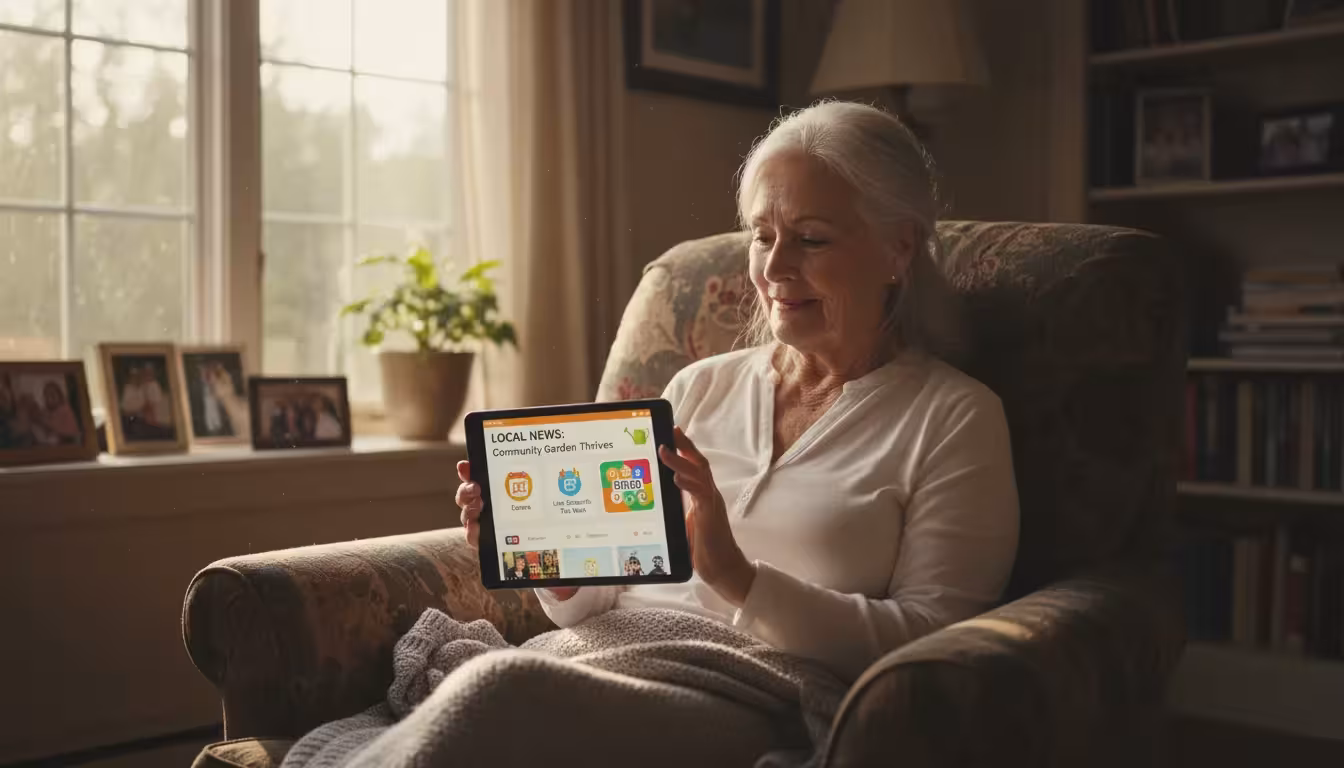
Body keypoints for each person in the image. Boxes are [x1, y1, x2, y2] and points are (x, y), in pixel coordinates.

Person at [453, 101, 1018, 757]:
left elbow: (933, 643)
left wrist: (738, 579)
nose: (774, 269)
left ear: (897, 249)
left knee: (496, 696)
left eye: (811, 238)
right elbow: (602, 597)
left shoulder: (954, 418)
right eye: (761, 235)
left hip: (753, 692)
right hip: (596, 660)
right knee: (465, 698)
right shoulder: (698, 387)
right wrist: (546, 553)